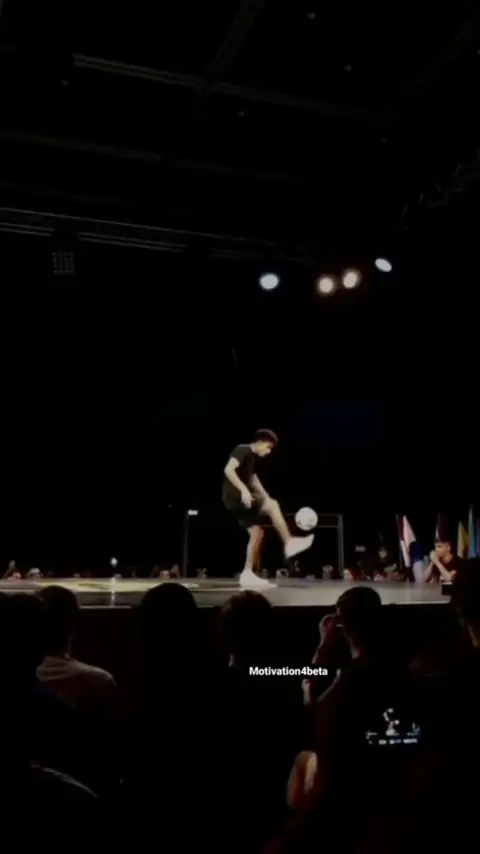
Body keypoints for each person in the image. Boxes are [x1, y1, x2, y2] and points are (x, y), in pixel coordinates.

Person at [222, 429, 314, 588]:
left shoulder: (252, 458)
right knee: (273, 506)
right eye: (268, 447)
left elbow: (253, 479)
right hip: (235, 497)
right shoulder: (242, 449)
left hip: (238, 500)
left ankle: (247, 573)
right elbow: (228, 469)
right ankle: (289, 542)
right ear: (259, 442)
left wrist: (266, 497)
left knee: (257, 532)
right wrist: (244, 490)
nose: (269, 451)